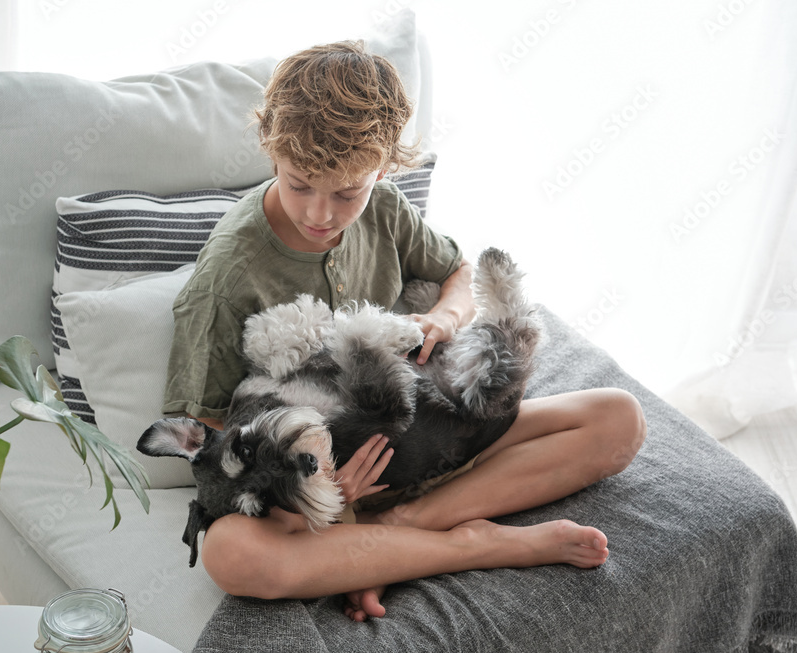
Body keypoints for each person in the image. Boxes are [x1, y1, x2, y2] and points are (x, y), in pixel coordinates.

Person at [162, 40, 646, 622]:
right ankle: (475, 545)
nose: (320, 214)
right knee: (232, 555)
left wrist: (443, 317)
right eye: (299, 184)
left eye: (347, 192)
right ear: (271, 153)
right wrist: (319, 490)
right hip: (319, 483)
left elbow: (460, 274)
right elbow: (214, 439)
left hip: (429, 425)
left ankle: (398, 534)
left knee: (619, 419)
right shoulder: (226, 277)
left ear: (383, 168)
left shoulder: (386, 208)